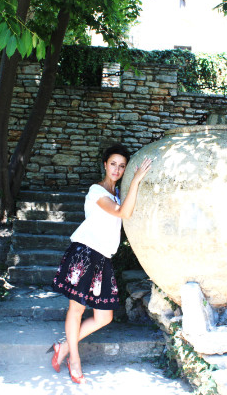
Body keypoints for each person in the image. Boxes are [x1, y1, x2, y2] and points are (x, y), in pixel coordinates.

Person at [48, 143, 152, 384]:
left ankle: (64, 347)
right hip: (85, 253)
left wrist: (132, 185)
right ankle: (74, 359)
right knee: (76, 310)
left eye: (122, 166)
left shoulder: (118, 194)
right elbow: (123, 213)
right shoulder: (97, 192)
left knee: (104, 317)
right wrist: (136, 180)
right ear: (105, 165)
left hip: (103, 258)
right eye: (113, 164)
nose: (117, 169)